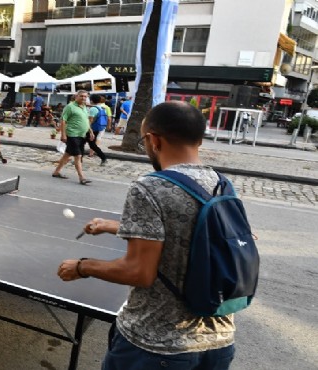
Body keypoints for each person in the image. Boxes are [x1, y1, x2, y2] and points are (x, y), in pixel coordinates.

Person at [58, 101, 236, 369]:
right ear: (199, 139)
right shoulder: (222, 185)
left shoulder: (150, 186)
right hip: (218, 342)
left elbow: (138, 272)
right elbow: (192, 234)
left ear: (153, 140)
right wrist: (112, 225)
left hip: (156, 345)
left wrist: (82, 267)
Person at [51, 90, 93, 185]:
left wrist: (90, 131)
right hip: (72, 134)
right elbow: (63, 121)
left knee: (67, 154)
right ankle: (82, 177)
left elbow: (86, 120)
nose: (83, 98)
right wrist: (63, 134)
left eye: (85, 97)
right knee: (78, 156)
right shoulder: (70, 107)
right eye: (81, 96)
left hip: (81, 135)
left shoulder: (84, 107)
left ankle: (56, 172)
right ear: (76, 96)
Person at [85, 94, 109, 165]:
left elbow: (90, 121)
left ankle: (104, 158)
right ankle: (103, 158)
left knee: (82, 143)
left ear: (91, 100)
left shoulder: (93, 109)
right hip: (97, 128)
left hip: (90, 129)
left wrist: (88, 130)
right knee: (92, 145)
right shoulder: (101, 108)